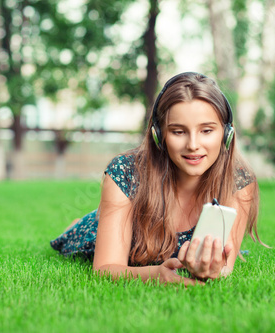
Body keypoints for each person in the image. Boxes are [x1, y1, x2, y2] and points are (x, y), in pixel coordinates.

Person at [50, 72, 263, 285]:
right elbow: (105, 267)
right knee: (80, 234)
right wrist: (155, 274)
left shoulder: (240, 181)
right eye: (178, 132)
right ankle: (78, 223)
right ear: (158, 136)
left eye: (206, 130)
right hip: (98, 232)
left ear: (227, 134)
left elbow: (225, 268)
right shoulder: (125, 172)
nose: (193, 145)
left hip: (164, 246)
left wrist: (211, 269)